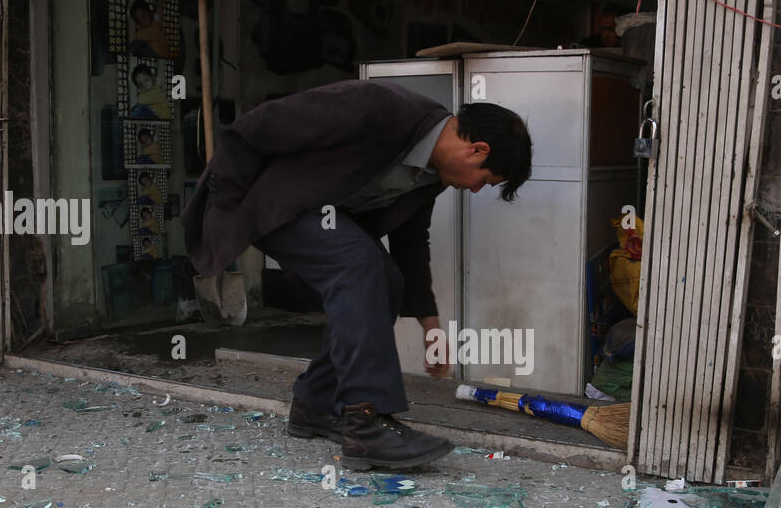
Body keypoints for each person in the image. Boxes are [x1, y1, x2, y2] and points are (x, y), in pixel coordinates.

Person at [181, 79, 532, 469]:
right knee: (358, 264)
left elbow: (411, 245)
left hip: (322, 216)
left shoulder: (429, 177)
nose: (476, 190)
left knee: (387, 280)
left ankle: (315, 403)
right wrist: (228, 200)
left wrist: (430, 325)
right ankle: (366, 425)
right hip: (266, 201)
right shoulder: (380, 107)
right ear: (476, 149)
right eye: (484, 180)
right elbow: (254, 128)